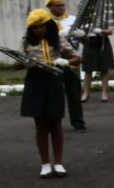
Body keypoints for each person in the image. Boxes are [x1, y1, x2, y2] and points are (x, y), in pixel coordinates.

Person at [19, 9, 81, 178]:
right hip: (35, 82)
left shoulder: (58, 39)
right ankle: (45, 164)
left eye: (41, 26)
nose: (38, 30)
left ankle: (59, 163)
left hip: (54, 81)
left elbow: (77, 58)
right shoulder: (26, 41)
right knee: (40, 124)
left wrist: (65, 61)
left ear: (48, 25)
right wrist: (25, 63)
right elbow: (17, 64)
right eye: (34, 27)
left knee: (55, 123)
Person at [45, 0, 86, 133]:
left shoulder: (73, 20)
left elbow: (85, 42)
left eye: (63, 5)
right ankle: (54, 124)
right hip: (53, 59)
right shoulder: (45, 21)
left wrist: (82, 35)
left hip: (71, 57)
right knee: (54, 95)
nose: (62, 8)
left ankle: (78, 123)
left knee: (74, 94)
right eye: (58, 5)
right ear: (50, 7)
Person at [80, 18, 114, 103]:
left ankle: (104, 93)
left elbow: (110, 31)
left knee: (104, 68)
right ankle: (86, 93)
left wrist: (101, 31)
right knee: (88, 69)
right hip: (88, 42)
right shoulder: (84, 16)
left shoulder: (104, 15)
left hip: (102, 42)